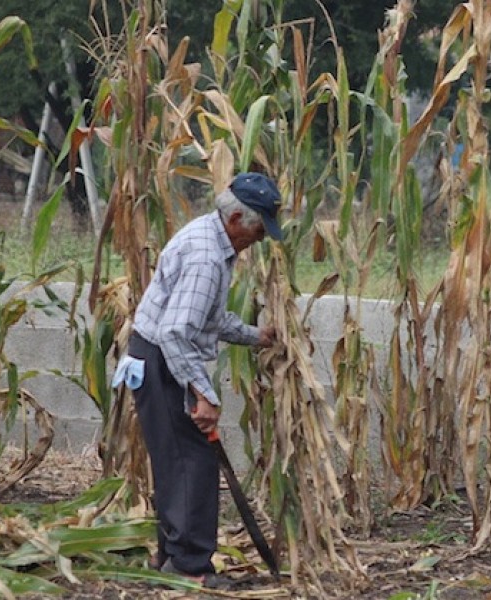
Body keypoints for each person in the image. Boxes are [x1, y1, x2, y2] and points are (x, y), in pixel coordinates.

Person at [117, 172, 282, 588]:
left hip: (157, 357)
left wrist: (255, 336)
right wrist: (203, 394)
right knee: (192, 462)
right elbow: (175, 332)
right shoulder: (207, 258)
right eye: (260, 227)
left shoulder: (210, 240)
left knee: (177, 460)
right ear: (237, 219)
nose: (261, 238)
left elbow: (206, 319)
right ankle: (189, 566)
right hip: (162, 361)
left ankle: (173, 558)